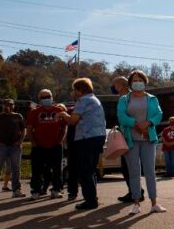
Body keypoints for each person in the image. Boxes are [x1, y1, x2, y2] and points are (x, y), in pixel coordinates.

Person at [117, 69, 166, 215]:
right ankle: (136, 203)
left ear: (145, 82)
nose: (138, 83)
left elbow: (159, 114)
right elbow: (121, 116)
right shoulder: (124, 99)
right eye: (135, 80)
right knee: (134, 171)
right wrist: (136, 125)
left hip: (148, 139)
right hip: (131, 139)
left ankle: (154, 203)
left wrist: (149, 123)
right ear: (130, 83)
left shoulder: (152, 98)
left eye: (140, 80)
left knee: (150, 171)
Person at [57, 78, 106, 210]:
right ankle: (92, 198)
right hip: (98, 136)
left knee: (85, 170)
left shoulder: (83, 100)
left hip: (86, 137)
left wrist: (63, 114)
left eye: (74, 90)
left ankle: (90, 200)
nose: (73, 93)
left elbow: (73, 120)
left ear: (80, 90)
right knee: (90, 169)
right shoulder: (95, 99)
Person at [26, 89, 67, 200]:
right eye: (43, 97)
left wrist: (60, 140)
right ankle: (36, 190)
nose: (46, 99)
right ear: (40, 99)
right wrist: (33, 142)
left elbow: (64, 126)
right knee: (37, 170)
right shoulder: (34, 112)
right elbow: (29, 128)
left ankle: (56, 190)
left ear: (52, 97)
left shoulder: (59, 110)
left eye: (48, 96)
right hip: (39, 146)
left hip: (55, 146)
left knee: (57, 169)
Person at [0, 99, 26, 200]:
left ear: (14, 106)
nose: (9, 106)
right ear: (3, 105)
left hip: (15, 147)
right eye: (7, 104)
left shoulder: (18, 116)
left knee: (16, 169)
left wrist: (20, 141)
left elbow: (23, 129)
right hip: (1, 147)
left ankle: (16, 190)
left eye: (11, 105)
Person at [113, 76, 142, 203]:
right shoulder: (130, 97)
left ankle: (135, 192)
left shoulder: (127, 98)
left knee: (129, 166)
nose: (114, 87)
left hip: (130, 136)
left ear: (120, 85)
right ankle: (136, 191)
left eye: (115, 85)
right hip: (129, 134)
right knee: (129, 166)